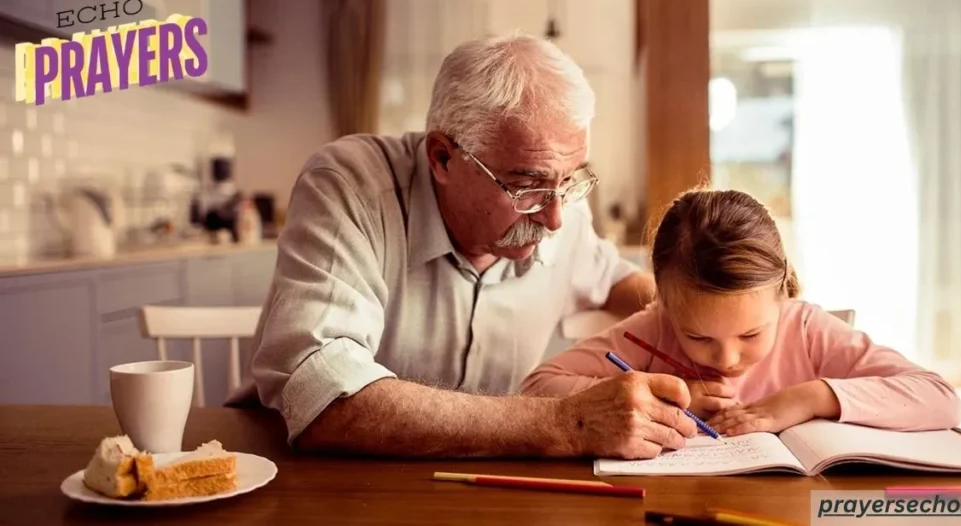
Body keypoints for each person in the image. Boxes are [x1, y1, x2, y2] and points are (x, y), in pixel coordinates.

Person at [242, 32, 700, 458]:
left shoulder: (560, 208)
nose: (555, 217)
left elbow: (615, 280)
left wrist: (709, 330)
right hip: (317, 478)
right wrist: (569, 422)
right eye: (526, 186)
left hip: (482, 486)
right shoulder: (349, 187)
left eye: (568, 181)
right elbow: (322, 399)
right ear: (442, 157)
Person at [521, 188, 961, 451]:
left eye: (751, 333)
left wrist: (808, 398)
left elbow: (940, 397)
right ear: (667, 308)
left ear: (784, 293)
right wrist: (660, 399)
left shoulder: (805, 329)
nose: (727, 357)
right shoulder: (653, 329)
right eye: (697, 335)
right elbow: (538, 387)